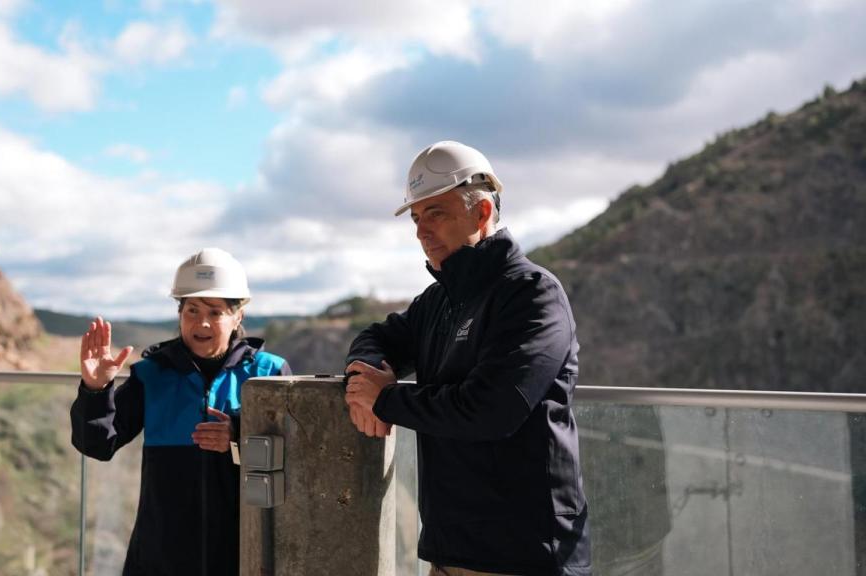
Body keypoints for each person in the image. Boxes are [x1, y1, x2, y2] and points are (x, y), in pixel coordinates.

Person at [344, 141, 591, 576]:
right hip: (451, 553)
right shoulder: (440, 301)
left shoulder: (532, 293)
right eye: (417, 218)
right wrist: (363, 375)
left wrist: (386, 401)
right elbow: (377, 337)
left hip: (523, 557)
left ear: (481, 214)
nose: (422, 231)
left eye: (436, 213)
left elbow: (491, 410)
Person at [70, 248, 291, 576]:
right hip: (161, 558)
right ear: (179, 313)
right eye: (192, 310)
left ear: (237, 317)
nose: (201, 322)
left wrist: (238, 435)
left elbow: (298, 450)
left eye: (215, 312)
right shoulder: (151, 375)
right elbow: (97, 444)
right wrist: (96, 390)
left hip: (245, 555)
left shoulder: (269, 373)